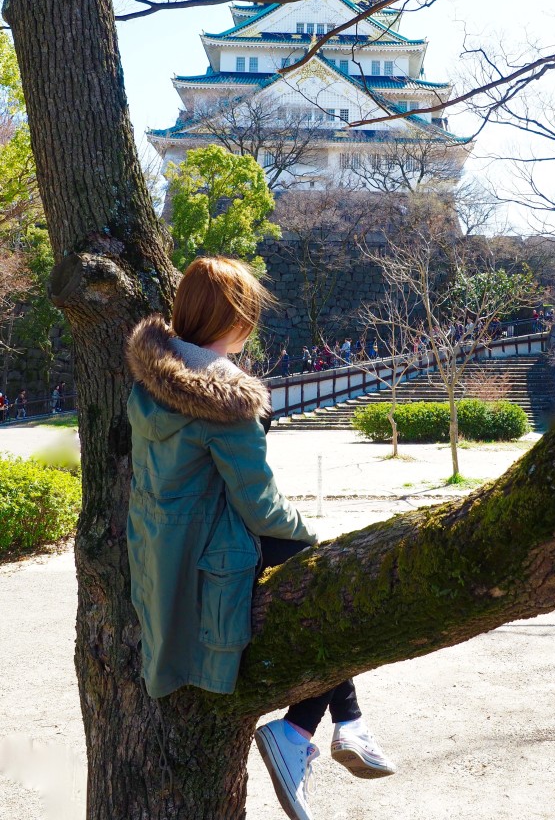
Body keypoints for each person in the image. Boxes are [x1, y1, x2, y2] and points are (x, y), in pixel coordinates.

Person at [125, 257, 394, 820]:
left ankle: (347, 723)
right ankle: (303, 731)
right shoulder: (225, 401)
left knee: (321, 579)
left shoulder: (151, 384)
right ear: (237, 320)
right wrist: (309, 536)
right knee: (329, 579)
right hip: (210, 556)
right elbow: (259, 504)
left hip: (161, 557)